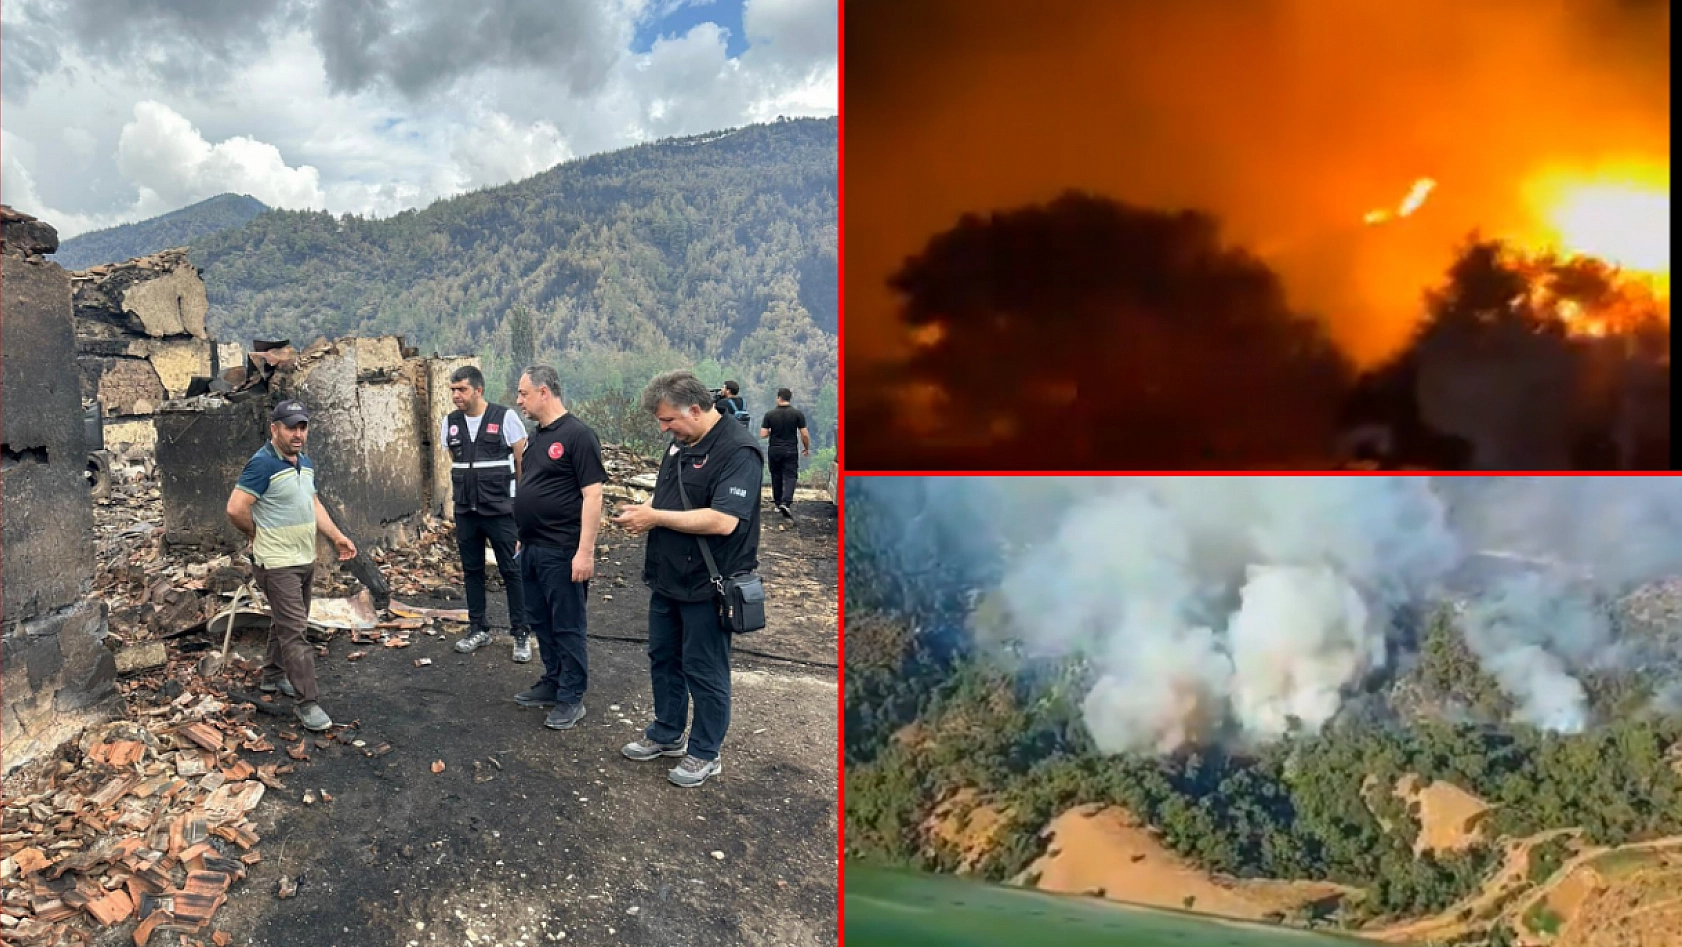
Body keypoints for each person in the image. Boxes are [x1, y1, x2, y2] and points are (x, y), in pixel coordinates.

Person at [614, 370, 764, 788]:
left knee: (704, 669)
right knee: (664, 659)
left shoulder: (740, 451)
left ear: (695, 410)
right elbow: (666, 495)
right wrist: (642, 509)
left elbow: (723, 520)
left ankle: (704, 751)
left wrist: (655, 517)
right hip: (667, 578)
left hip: (708, 583)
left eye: (668, 420)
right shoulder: (680, 445)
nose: (664, 429)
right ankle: (666, 733)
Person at [225, 400, 357, 732]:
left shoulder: (304, 463)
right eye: (290, 427)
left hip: (303, 558)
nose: (298, 434)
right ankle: (307, 702)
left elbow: (312, 503)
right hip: (276, 562)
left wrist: (336, 537)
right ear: (275, 429)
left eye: (302, 427)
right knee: (296, 631)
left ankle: (272, 678)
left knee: (285, 622)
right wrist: (256, 533)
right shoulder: (262, 464)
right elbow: (235, 508)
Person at [510, 365, 607, 731]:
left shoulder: (579, 435)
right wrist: (524, 531)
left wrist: (585, 551)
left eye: (523, 393)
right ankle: (552, 681)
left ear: (544, 392)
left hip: (562, 549)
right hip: (532, 547)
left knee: (567, 624)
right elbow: (533, 485)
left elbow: (592, 494)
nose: (518, 400)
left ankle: (571, 696)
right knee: (540, 620)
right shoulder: (537, 438)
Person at [440, 365, 532, 661]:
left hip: (501, 511)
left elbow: (522, 462)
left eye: (462, 389)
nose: (456, 395)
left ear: (478, 390)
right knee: (472, 571)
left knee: (512, 571)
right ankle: (478, 628)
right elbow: (457, 461)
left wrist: (521, 507)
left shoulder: (504, 418)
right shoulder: (450, 423)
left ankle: (521, 633)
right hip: (467, 510)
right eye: (453, 389)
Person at [759, 387, 811, 519]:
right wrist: (806, 448)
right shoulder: (797, 414)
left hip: (774, 449)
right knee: (790, 476)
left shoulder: (770, 414)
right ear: (789, 398)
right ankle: (786, 502)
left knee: (776, 475)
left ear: (778, 398)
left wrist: (773, 431)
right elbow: (804, 434)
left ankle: (777, 503)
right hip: (790, 449)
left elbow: (763, 434)